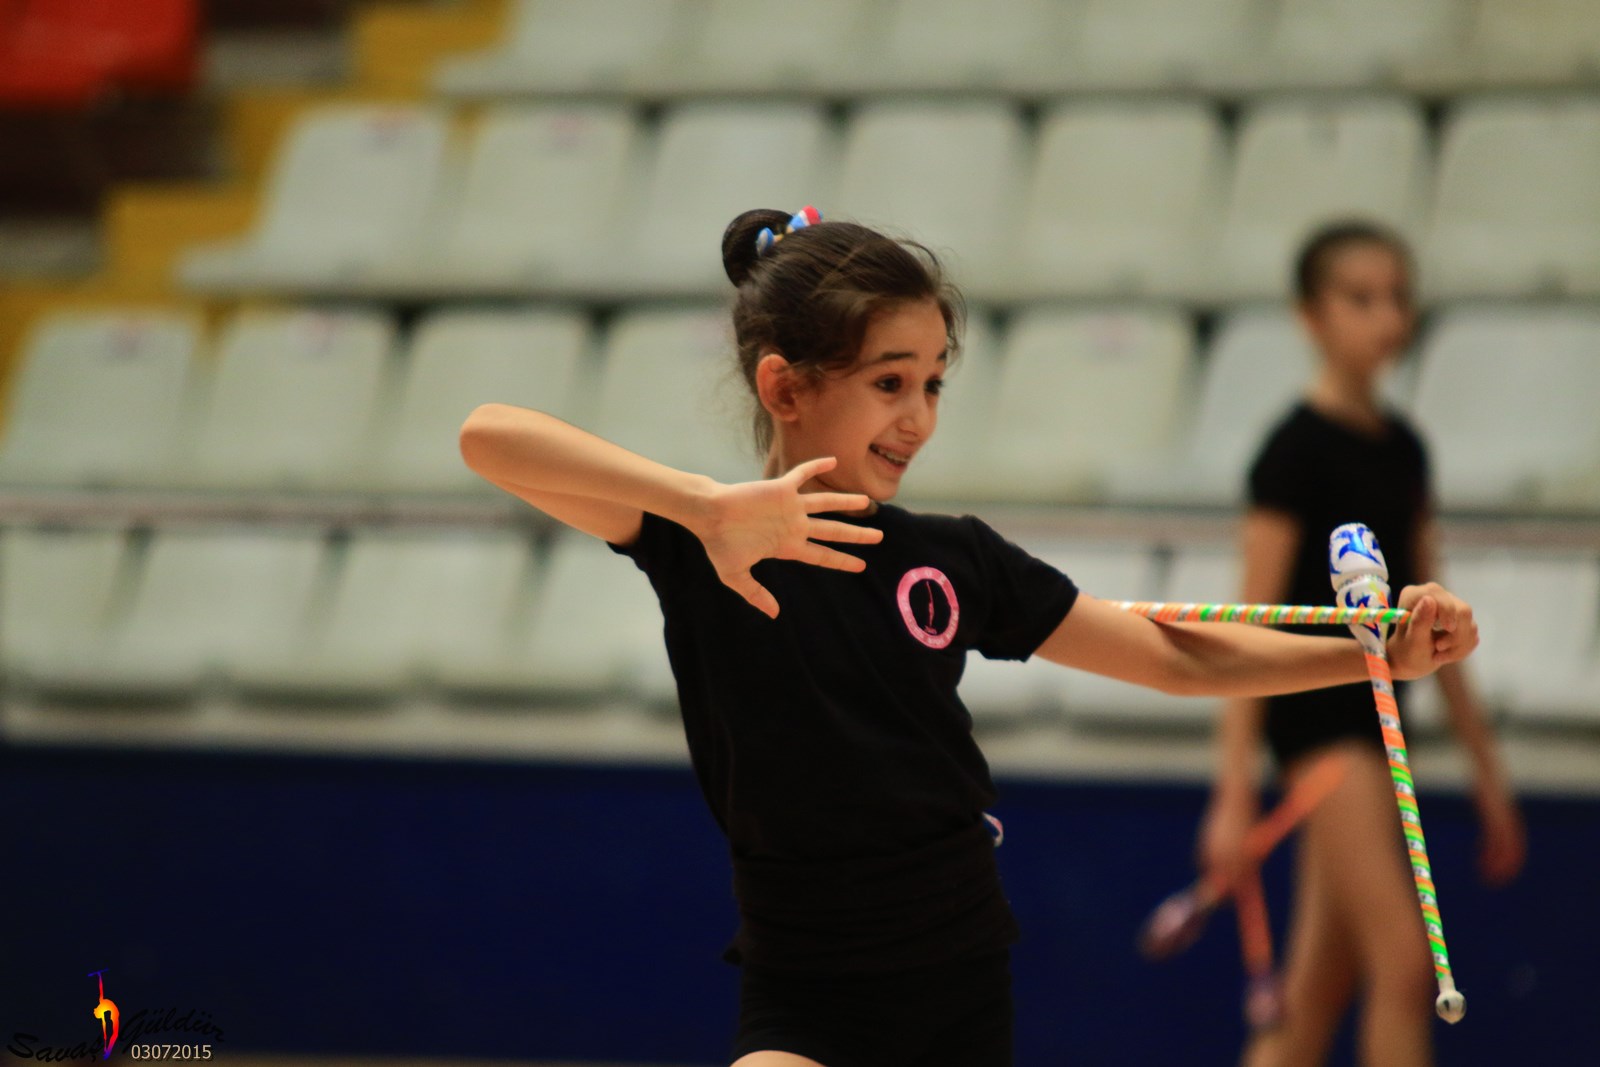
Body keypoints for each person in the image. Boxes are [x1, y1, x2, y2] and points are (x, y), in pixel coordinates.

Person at [459, 207, 1481, 1067]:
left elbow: (1172, 656)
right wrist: (703, 505)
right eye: (889, 382)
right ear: (785, 388)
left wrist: (1374, 655)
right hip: (802, 994)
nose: (919, 417)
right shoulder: (699, 545)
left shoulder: (955, 559)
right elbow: (488, 437)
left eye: (934, 383)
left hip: (957, 980)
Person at [1198, 220, 1526, 1067]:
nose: (1387, 317)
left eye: (1397, 297)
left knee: (1315, 993)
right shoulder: (1292, 452)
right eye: (1360, 298)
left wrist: (1487, 769)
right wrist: (1232, 791)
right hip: (1320, 732)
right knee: (1406, 966)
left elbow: (1435, 617)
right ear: (1310, 315)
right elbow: (1246, 621)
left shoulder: (1405, 448)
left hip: (1382, 728)